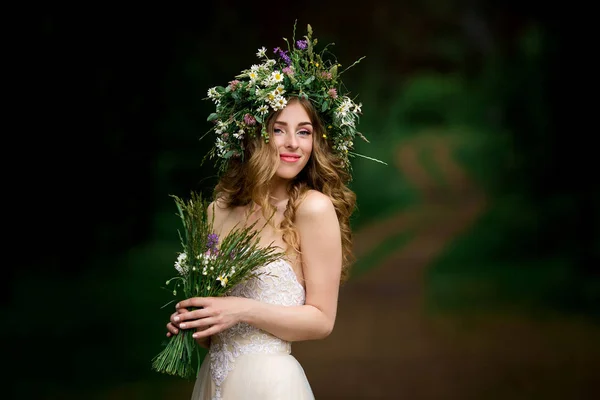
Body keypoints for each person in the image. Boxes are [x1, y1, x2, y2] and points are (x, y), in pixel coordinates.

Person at [164, 22, 380, 400]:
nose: (293, 144)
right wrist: (196, 320)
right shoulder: (218, 210)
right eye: (279, 129)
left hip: (271, 383)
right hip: (214, 382)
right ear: (254, 135)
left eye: (305, 131)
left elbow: (321, 320)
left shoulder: (312, 208)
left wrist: (240, 309)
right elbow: (217, 334)